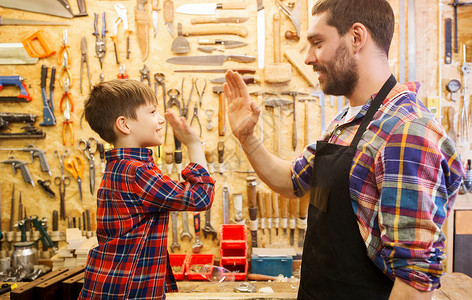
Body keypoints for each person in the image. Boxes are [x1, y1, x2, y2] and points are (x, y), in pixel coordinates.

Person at [224, 0, 463, 299]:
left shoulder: (406, 132)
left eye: (317, 42)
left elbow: (413, 283)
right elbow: (293, 181)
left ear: (356, 38)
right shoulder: (347, 121)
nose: (308, 58)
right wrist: (248, 138)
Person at [79, 79, 215, 299]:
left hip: (115, 285)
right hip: (128, 290)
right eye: (152, 112)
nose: (161, 119)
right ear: (124, 125)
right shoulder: (137, 172)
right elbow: (201, 198)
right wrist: (193, 144)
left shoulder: (120, 167)